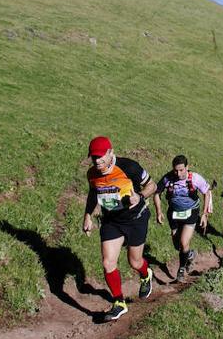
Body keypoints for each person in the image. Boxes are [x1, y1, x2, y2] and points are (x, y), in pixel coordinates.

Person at [81, 136, 157, 322]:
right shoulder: (92, 174)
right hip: (111, 221)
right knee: (108, 263)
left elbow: (152, 186)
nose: (97, 161)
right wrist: (88, 216)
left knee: (135, 262)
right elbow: (93, 194)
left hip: (135, 219)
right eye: (93, 157)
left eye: (100, 156)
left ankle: (146, 274)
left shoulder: (129, 167)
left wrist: (139, 196)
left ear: (110, 152)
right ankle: (119, 302)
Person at [154, 154, 213, 282]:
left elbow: (207, 193)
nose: (178, 173)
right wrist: (158, 211)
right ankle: (190, 255)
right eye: (176, 170)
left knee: (183, 242)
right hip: (174, 213)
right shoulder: (168, 178)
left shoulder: (195, 178)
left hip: (191, 212)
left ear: (187, 167)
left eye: (181, 170)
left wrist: (204, 214)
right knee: (177, 245)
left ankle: (181, 269)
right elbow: (156, 193)